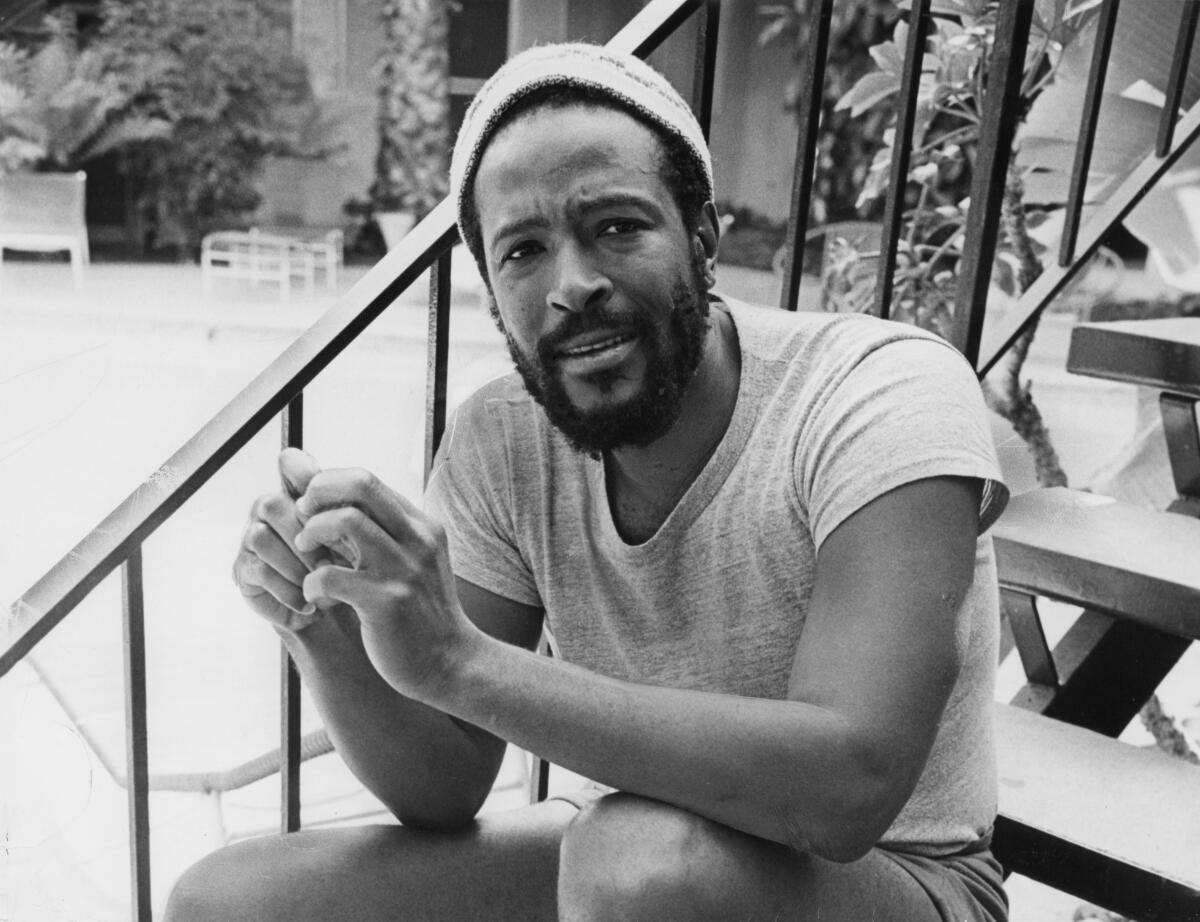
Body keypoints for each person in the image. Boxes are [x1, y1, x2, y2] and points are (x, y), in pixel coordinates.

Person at [166, 43, 1010, 922]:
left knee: (633, 866)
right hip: (629, 860)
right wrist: (321, 625)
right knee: (227, 902)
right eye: (524, 251)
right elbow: (444, 786)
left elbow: (848, 789)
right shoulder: (502, 438)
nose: (573, 285)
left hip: (902, 880)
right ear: (494, 293)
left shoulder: (876, 392)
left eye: (616, 227)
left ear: (702, 239)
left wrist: (459, 658)